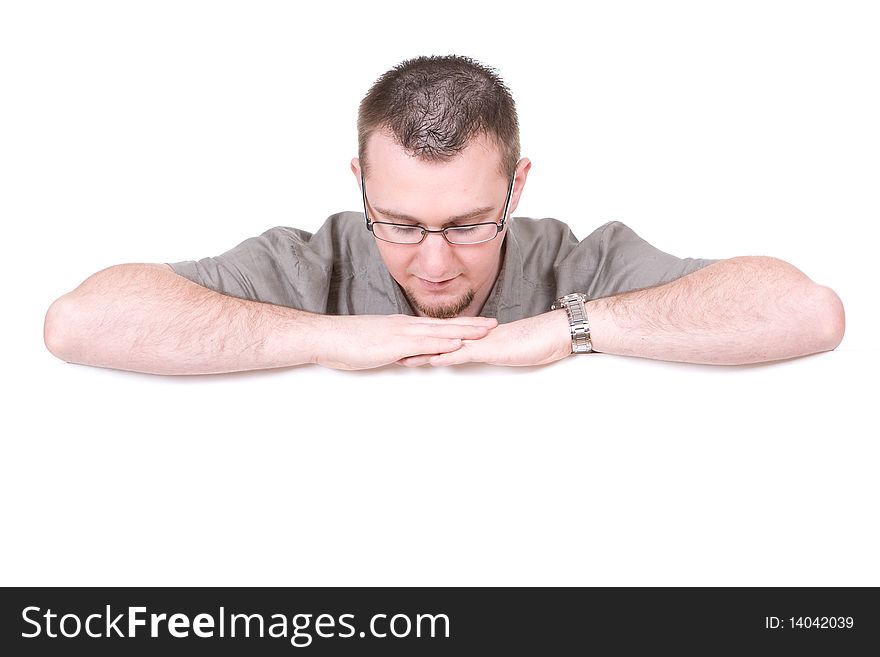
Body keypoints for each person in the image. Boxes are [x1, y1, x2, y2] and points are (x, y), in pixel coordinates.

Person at [43, 55, 845, 375]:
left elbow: (805, 312)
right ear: (359, 185)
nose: (433, 261)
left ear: (517, 187)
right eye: (395, 222)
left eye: (468, 223)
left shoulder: (577, 261)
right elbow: (80, 323)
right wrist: (322, 335)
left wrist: (570, 327)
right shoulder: (307, 262)